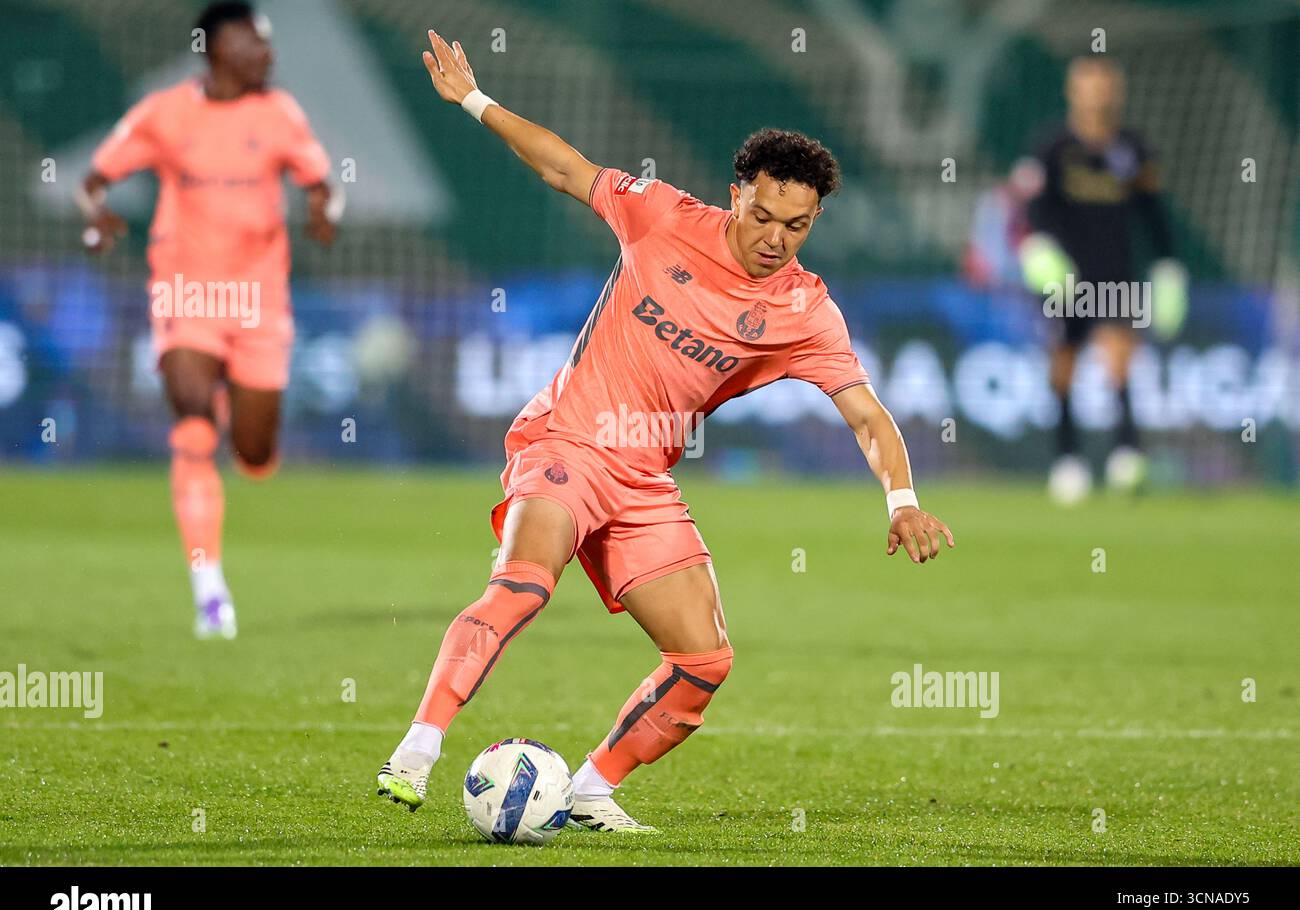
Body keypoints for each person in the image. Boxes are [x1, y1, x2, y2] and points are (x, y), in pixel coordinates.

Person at [376, 28, 955, 832]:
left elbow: (866, 413)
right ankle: (417, 748)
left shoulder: (804, 310)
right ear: (735, 194)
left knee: (704, 659)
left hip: (642, 479)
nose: (775, 239)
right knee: (525, 583)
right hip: (567, 440)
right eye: (763, 216)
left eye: (798, 225)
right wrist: (474, 100)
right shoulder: (660, 217)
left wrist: (902, 499)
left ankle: (589, 789)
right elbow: (563, 167)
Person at [79, 1, 338, 637]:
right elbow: (95, 176)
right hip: (186, 295)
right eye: (257, 43)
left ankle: (246, 431)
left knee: (253, 452)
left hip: (259, 305)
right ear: (219, 46)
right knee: (193, 427)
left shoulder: (279, 114)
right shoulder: (164, 113)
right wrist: (95, 212)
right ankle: (210, 590)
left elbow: (321, 179)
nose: (269, 55)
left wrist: (322, 209)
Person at [1018, 56, 1185, 505]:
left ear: (1117, 93)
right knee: (1064, 366)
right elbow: (1031, 206)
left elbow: (1153, 211)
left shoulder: (1132, 150)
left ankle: (1126, 452)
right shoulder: (1051, 147)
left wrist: (1169, 264)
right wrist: (1038, 248)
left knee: (1120, 360)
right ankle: (1068, 459)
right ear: (1073, 93)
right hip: (1065, 277)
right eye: (1089, 87)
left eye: (1105, 87)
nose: (1098, 96)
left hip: (1115, 272)